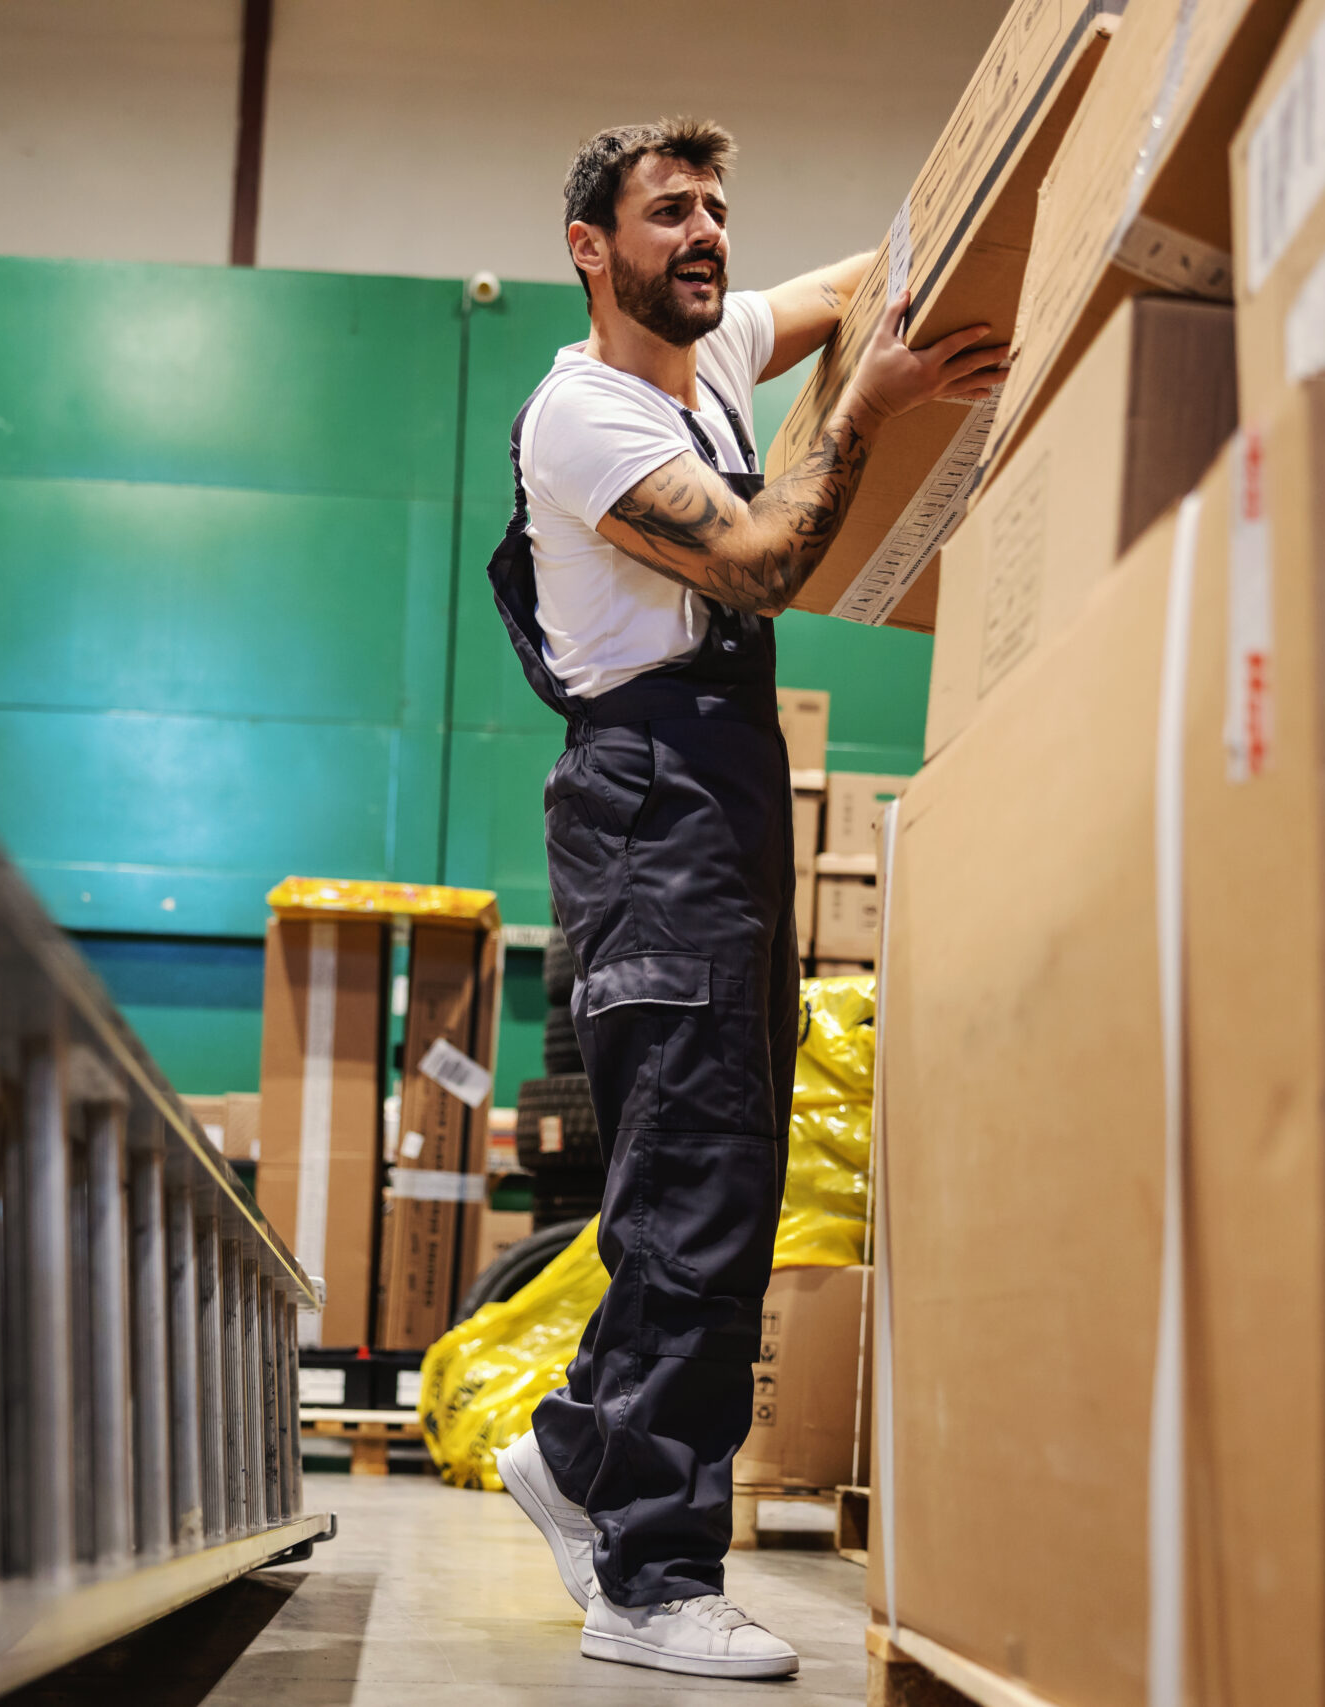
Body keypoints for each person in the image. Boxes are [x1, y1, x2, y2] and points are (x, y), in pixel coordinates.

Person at [483, 117, 1007, 1681]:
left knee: (717, 1176)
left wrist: (989, 209)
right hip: (653, 812)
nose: (705, 234)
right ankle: (648, 1579)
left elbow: (861, 277)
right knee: (700, 1196)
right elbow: (768, 559)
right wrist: (869, 404)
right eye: (669, 212)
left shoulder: (709, 366)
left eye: (718, 210)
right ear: (593, 248)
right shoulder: (582, 415)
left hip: (717, 799)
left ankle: (581, 1452)